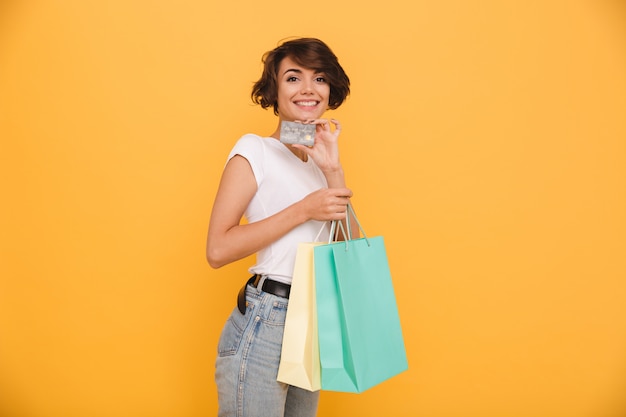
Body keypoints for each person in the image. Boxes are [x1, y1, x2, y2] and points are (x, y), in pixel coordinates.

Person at [206, 38, 356, 417]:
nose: (308, 88)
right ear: (274, 90)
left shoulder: (317, 163)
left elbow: (351, 250)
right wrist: (304, 209)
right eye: (293, 78)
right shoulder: (254, 149)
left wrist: (333, 169)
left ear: (329, 91)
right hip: (266, 319)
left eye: (319, 78)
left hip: (311, 320)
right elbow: (217, 250)